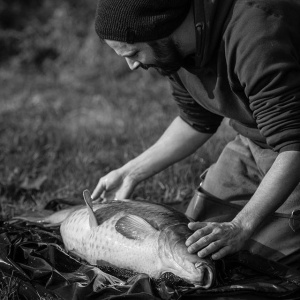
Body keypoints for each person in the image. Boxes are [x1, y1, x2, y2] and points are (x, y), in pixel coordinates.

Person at [92, 0, 300, 265]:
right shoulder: (174, 51)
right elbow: (196, 120)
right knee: (191, 240)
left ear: (160, 28)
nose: (132, 66)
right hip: (255, 141)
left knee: (258, 260)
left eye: (133, 54)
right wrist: (131, 172)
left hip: (291, 151)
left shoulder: (256, 32)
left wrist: (241, 227)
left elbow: (293, 143)